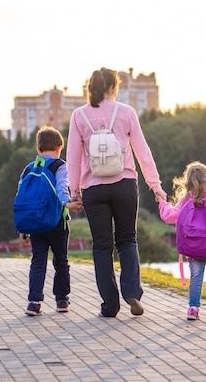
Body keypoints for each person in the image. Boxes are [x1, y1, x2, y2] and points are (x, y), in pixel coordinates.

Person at [67, 67, 167, 318]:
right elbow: (143, 152)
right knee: (127, 239)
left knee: (102, 246)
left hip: (93, 188)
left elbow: (73, 158)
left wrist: (74, 191)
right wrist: (155, 186)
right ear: (114, 87)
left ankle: (110, 306)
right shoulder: (126, 112)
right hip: (124, 185)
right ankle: (132, 291)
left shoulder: (79, 116)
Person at [158, 161, 206, 320]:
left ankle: (193, 309)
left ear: (187, 181)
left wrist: (162, 202)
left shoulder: (185, 201)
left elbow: (169, 216)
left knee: (196, 276)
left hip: (193, 247)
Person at [18, 126, 82, 316]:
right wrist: (68, 203)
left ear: (38, 149)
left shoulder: (29, 168)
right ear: (59, 147)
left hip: (36, 224)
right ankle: (62, 300)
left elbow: (22, 198)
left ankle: (34, 302)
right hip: (56, 223)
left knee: (38, 261)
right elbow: (62, 187)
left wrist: (23, 227)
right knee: (61, 260)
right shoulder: (60, 166)